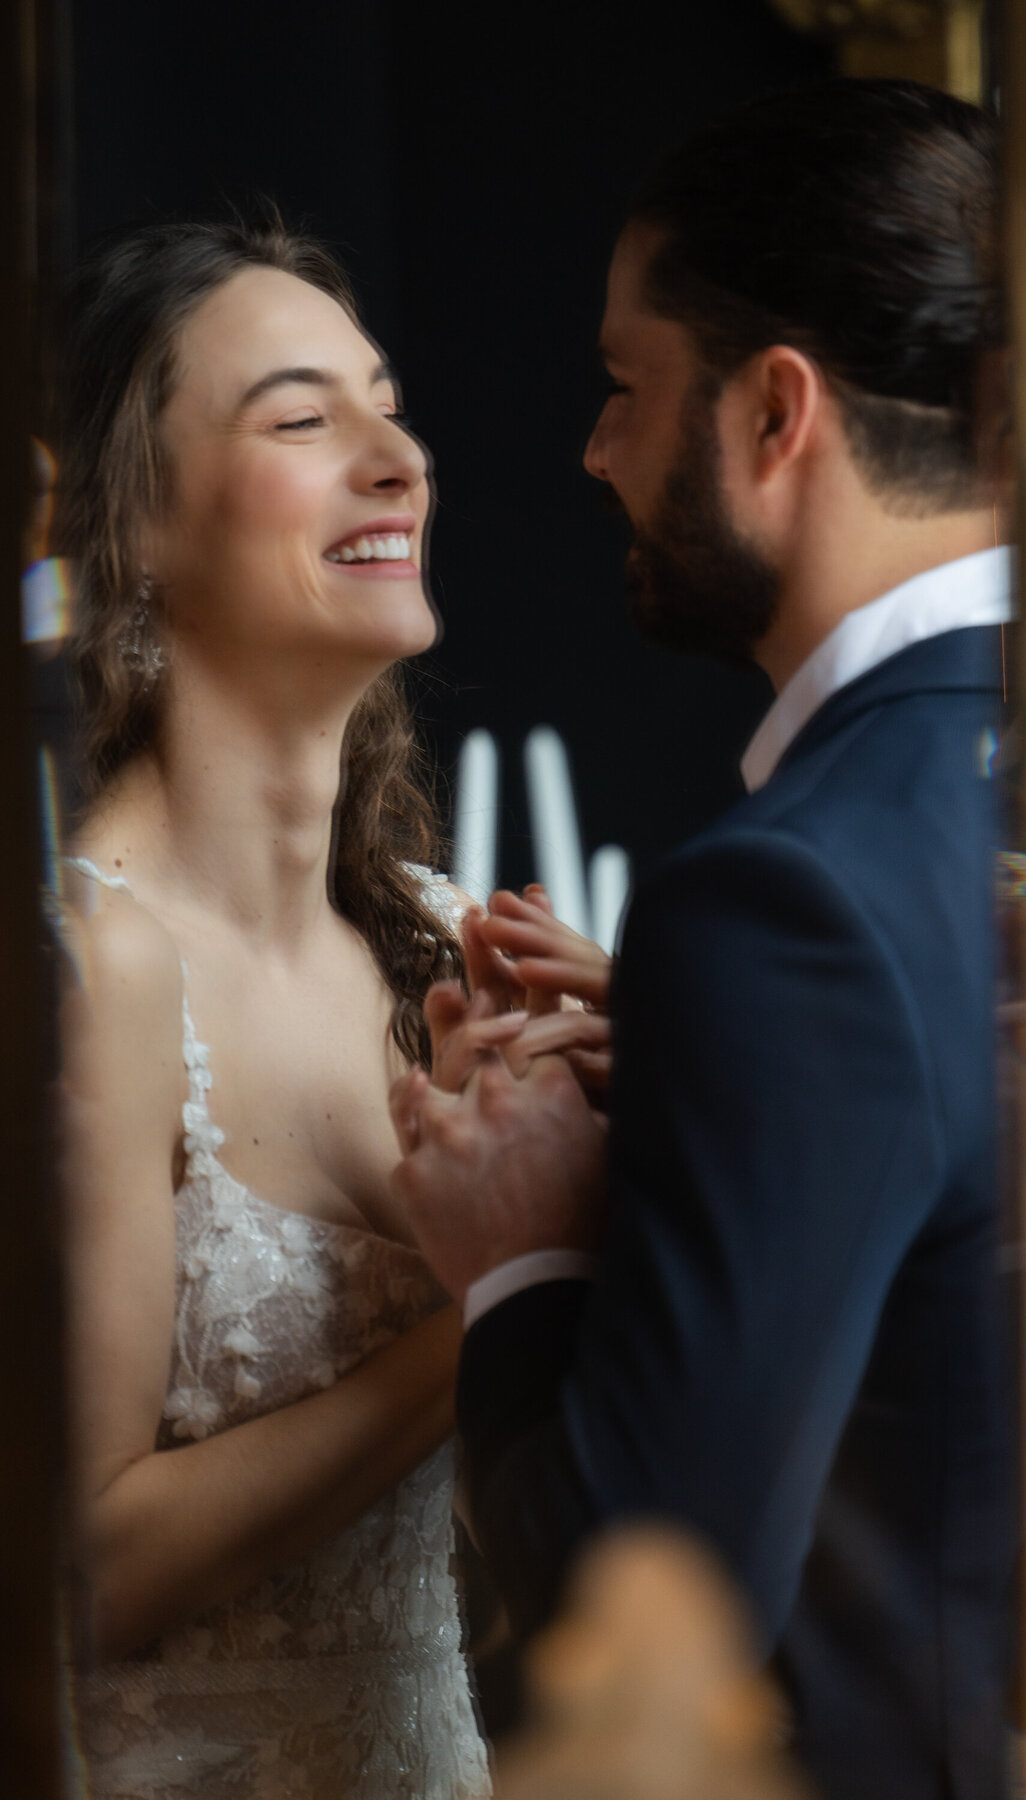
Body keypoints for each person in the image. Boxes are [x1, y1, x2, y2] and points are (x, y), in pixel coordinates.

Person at [383, 80, 1018, 1800]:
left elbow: (655, 1617)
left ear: (775, 412)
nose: (593, 451)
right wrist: (689, 1070)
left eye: (625, 385)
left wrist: (524, 1258)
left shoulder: (785, 897)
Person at [50, 214, 557, 1800]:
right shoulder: (86, 964)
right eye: (301, 416)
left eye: (387, 400)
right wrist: (495, 1292)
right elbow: (82, 1577)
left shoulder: (441, 941)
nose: (397, 453)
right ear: (132, 527)